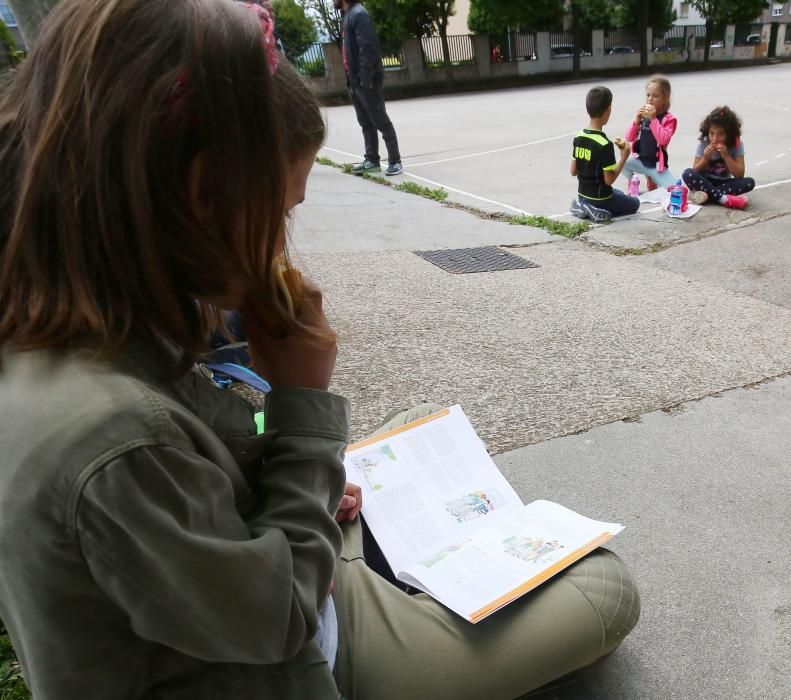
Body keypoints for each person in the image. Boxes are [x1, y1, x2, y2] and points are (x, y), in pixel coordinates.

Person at [0, 2, 640, 698]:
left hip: (276, 557)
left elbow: (203, 473)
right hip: (304, 645)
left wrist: (283, 455)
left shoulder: (69, 311)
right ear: (200, 192)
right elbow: (275, 622)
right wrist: (300, 410)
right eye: (278, 212)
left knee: (425, 420)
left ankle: (427, 577)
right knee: (605, 588)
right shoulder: (116, 436)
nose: (279, 241)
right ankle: (439, 595)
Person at [333, 0, 402, 177]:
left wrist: (365, 78)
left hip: (366, 80)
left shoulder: (359, 14)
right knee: (365, 122)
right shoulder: (348, 15)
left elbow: (368, 49)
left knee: (380, 120)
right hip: (355, 80)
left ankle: (395, 161)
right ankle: (371, 160)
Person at [570, 86, 640, 222]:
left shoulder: (579, 137)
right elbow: (609, 180)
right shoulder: (604, 144)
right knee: (634, 203)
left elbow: (573, 171)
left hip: (582, 194)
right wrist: (624, 156)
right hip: (601, 198)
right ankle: (596, 209)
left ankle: (583, 204)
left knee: (618, 193)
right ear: (609, 110)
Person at [681, 106, 755, 210]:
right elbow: (695, 170)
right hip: (704, 181)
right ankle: (722, 198)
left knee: (749, 182)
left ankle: (703, 195)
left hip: (723, 183)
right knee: (687, 173)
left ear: (729, 134)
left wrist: (726, 155)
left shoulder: (736, 145)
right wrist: (705, 158)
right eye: (712, 133)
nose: (715, 139)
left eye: (721, 134)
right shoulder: (704, 143)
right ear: (708, 131)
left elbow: (739, 174)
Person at [621, 75, 677, 192]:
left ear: (665, 99)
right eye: (648, 95)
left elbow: (663, 140)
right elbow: (629, 138)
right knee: (622, 163)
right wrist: (636, 122)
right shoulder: (643, 116)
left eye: (655, 96)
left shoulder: (669, 119)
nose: (650, 99)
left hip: (656, 166)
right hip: (640, 160)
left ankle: (652, 178)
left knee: (675, 190)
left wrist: (653, 119)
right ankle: (633, 182)